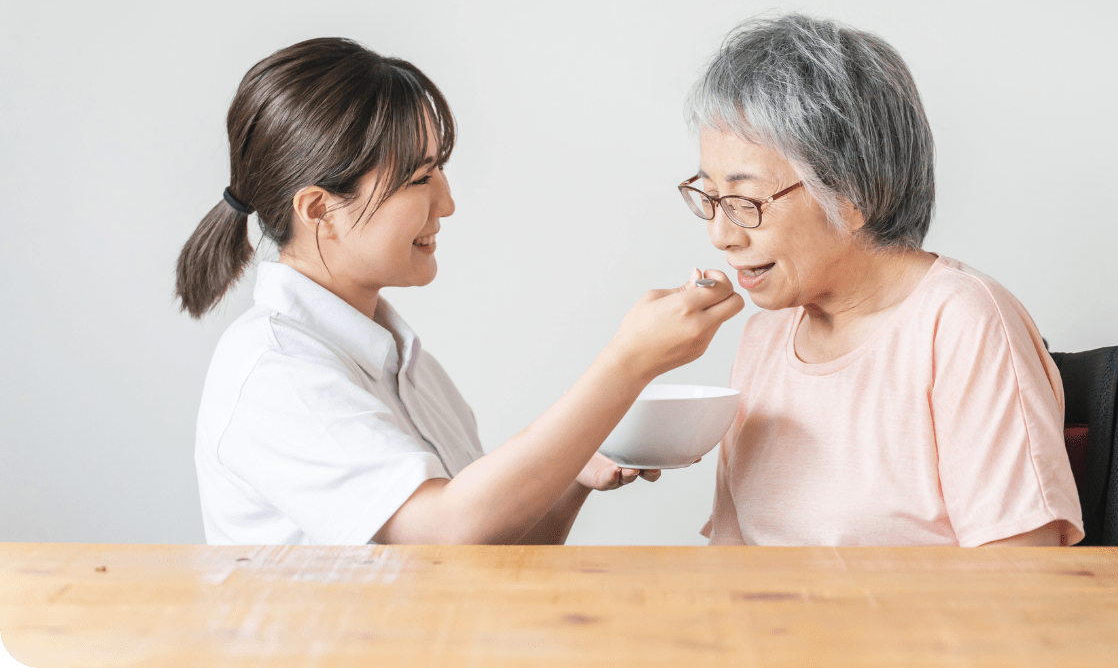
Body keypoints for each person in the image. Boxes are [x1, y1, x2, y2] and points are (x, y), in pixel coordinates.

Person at [177, 37, 742, 545]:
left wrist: (574, 472)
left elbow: (485, 552)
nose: (446, 203)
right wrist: (629, 362)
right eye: (420, 178)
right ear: (320, 209)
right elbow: (446, 532)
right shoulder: (275, 372)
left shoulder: (405, 365)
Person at [680, 14, 1083, 547]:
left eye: (746, 200)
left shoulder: (960, 323)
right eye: (710, 197)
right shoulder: (764, 337)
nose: (720, 236)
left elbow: (1019, 578)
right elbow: (730, 559)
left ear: (854, 195)